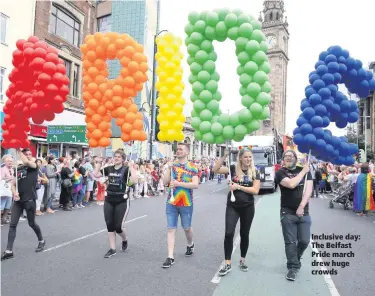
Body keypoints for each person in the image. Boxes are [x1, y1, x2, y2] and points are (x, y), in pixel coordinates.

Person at [212, 147, 260, 276]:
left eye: (250, 157)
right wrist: (224, 156)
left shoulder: (255, 171)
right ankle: (227, 263)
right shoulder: (233, 169)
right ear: (240, 158)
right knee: (229, 233)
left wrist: (238, 186)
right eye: (246, 157)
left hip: (248, 207)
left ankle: (243, 260)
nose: (248, 159)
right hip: (233, 206)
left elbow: (255, 190)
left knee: (244, 234)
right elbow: (215, 170)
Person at [1, 149, 45, 261]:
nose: (28, 156)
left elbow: (27, 162)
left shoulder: (34, 166)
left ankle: (41, 241)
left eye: (30, 154)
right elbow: (12, 183)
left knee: (32, 223)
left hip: (29, 200)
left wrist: (19, 150)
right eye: (26, 154)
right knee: (12, 225)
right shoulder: (19, 168)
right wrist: (14, 192)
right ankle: (9, 251)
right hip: (18, 201)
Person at [275, 150, 312, 281]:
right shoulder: (280, 173)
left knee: (304, 241)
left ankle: (295, 258)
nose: (288, 158)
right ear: (283, 159)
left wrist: (302, 206)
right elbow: (291, 184)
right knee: (290, 242)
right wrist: (303, 172)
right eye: (286, 156)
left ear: (296, 158)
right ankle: (293, 267)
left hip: (303, 212)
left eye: (291, 156)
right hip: (287, 212)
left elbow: (308, 190)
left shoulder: (306, 171)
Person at [94, 150, 138, 258]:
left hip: (121, 200)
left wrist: (132, 167)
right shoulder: (109, 169)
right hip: (109, 198)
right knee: (110, 224)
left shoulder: (126, 169)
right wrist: (99, 163)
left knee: (118, 226)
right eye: (115, 156)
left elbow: (135, 180)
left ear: (123, 159)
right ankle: (112, 249)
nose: (116, 158)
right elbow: (96, 174)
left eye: (119, 157)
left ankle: (124, 239)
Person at [161, 143, 199, 268]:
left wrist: (179, 183)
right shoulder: (173, 166)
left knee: (186, 228)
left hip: (186, 202)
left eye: (181, 149)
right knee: (171, 228)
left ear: (187, 152)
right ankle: (170, 256)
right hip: (171, 202)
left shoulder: (193, 167)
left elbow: (195, 185)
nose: (178, 151)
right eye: (177, 149)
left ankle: (190, 244)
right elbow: (165, 182)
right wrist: (167, 168)